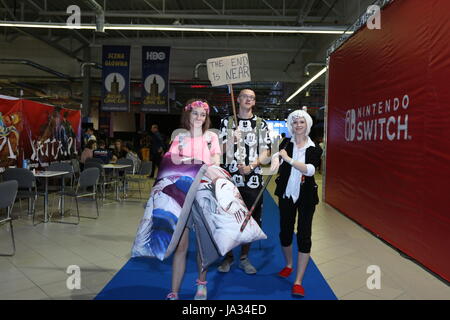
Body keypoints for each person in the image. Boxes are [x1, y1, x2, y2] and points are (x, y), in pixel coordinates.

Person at [165, 99, 221, 301]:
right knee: (180, 246)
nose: (199, 117)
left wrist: (197, 164)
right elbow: (171, 163)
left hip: (204, 194)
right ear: (187, 114)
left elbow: (216, 160)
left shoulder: (211, 137)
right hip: (181, 196)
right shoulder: (179, 138)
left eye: (203, 114)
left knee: (202, 244)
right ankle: (174, 291)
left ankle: (201, 285)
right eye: (195, 113)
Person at [217, 88, 274, 275]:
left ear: (254, 102)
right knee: (228, 216)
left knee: (250, 218)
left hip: (253, 178)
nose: (248, 100)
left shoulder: (261, 124)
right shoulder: (227, 122)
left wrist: (253, 164)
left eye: (252, 98)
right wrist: (232, 139)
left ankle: (244, 257)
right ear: (238, 99)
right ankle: (228, 256)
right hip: (230, 178)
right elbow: (219, 149)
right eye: (245, 97)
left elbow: (267, 151)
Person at [274, 109, 323, 297]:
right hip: (286, 194)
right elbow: (276, 163)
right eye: (295, 123)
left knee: (304, 235)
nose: (298, 125)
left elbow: (310, 170)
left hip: (306, 198)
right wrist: (274, 161)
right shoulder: (285, 143)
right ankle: (288, 264)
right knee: (285, 232)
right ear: (291, 125)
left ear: (307, 124)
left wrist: (287, 159)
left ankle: (298, 280)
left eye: (302, 122)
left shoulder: (315, 148)